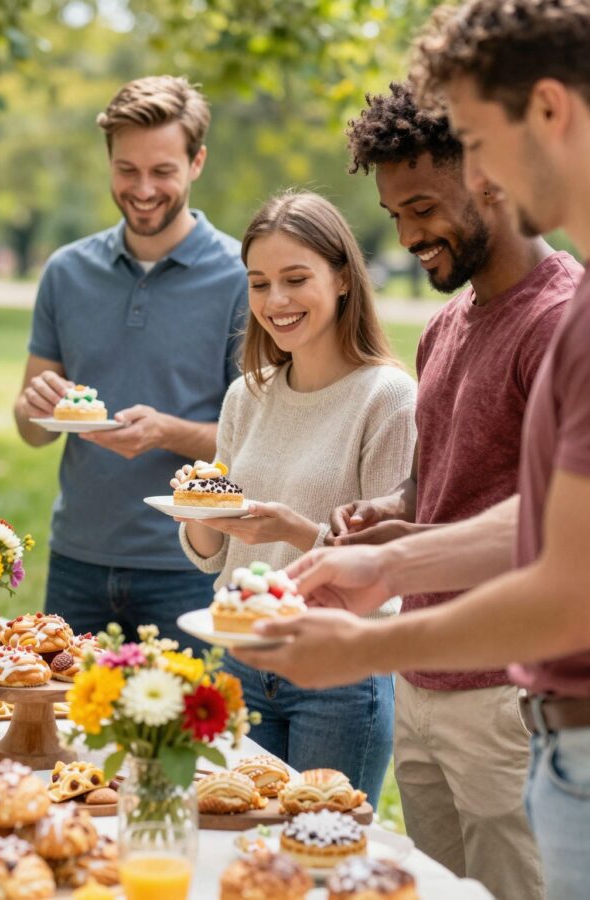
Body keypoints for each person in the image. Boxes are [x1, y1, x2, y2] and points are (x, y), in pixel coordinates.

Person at [234, 2, 590, 896]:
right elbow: (568, 516)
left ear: (548, 109)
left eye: (479, 141)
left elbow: (573, 597)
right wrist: (403, 558)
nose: (481, 176)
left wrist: (359, 650)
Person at [328, 82, 583, 898]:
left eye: (422, 209)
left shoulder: (560, 323)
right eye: (393, 214)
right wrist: (391, 515)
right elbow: (437, 487)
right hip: (424, 676)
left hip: (509, 696)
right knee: (436, 888)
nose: (406, 236)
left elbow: (569, 530)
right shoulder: (448, 322)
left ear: (491, 180)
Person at [177, 190, 414, 798]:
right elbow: (210, 552)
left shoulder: (385, 398)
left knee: (316, 853)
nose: (275, 302)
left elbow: (390, 572)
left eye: (294, 279)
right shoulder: (245, 396)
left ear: (341, 279)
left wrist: (289, 530)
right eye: (259, 284)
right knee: (241, 848)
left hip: (337, 673)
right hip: (240, 663)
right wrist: (201, 505)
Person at [12, 76, 247, 645]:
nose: (143, 189)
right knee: (61, 731)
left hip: (189, 563)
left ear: (197, 163)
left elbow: (256, 439)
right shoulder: (66, 272)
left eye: (162, 170)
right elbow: (31, 431)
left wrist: (167, 432)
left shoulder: (242, 277)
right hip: (77, 561)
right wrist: (36, 407)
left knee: (175, 731)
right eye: (127, 170)